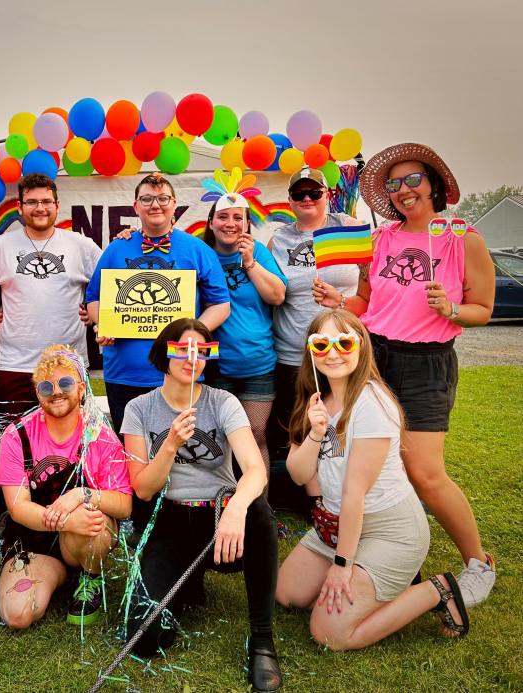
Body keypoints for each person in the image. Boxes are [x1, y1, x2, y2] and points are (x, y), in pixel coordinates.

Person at [312, 143, 496, 606]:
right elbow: (368, 303)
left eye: (413, 180)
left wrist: (451, 308)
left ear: (434, 184)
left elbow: (484, 310)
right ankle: (390, 553)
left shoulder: (462, 238)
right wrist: (341, 306)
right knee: (375, 463)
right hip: (374, 357)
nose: (404, 190)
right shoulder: (382, 240)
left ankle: (478, 562)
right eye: (393, 184)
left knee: (424, 470)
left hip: (426, 362)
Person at [276, 310, 470, 648]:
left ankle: (436, 590)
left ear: (362, 346)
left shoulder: (372, 403)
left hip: (390, 531)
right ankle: (364, 579)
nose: (332, 352)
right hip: (337, 525)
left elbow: (355, 495)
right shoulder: (316, 398)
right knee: (286, 594)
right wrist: (317, 433)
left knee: (329, 634)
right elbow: (298, 473)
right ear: (310, 351)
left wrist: (341, 566)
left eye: (344, 342)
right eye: (321, 344)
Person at [121, 318, 280, 693]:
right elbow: (143, 489)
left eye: (202, 351)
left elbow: (255, 470)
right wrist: (171, 445)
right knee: (144, 641)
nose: (192, 358)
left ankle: (262, 639)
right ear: (165, 352)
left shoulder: (222, 402)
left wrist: (236, 508)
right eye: (182, 349)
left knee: (258, 508)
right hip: (171, 523)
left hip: (221, 521)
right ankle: (186, 580)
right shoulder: (139, 409)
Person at [0, 345, 132, 629]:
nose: (56, 391)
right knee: (18, 615)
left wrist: (82, 495)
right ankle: (59, 575)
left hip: (85, 532)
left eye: (65, 383)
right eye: (46, 386)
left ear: (81, 389)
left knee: (96, 523)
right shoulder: (17, 435)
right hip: (35, 538)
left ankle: (89, 573)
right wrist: (67, 522)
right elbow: (18, 507)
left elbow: (124, 504)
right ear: (37, 393)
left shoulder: (101, 436)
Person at [85, 172, 230, 435]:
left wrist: (192, 334)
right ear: (135, 206)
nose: (155, 205)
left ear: (175, 204)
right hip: (124, 374)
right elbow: (94, 298)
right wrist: (103, 323)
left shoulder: (197, 249)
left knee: (184, 451)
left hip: (182, 369)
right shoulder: (117, 249)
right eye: (147, 199)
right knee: (132, 452)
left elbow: (221, 304)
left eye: (163, 198)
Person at [266, 167, 362, 512]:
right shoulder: (279, 239)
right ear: (290, 200)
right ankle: (314, 500)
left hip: (344, 350)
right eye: (299, 194)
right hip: (294, 351)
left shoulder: (348, 228)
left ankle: (342, 496)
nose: (307, 199)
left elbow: (374, 284)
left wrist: (342, 301)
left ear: (327, 195)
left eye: (314, 193)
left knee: (342, 425)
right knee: (301, 424)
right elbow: (268, 285)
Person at [0, 173, 102, 417]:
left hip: (68, 365)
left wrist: (94, 312)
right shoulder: (0, 246)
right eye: (32, 202)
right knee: (16, 444)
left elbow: (110, 283)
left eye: (46, 202)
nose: (40, 208)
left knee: (68, 446)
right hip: (15, 366)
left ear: (56, 206)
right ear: (20, 207)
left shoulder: (80, 245)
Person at [200, 177, 287, 479]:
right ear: (210, 222)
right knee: (219, 439)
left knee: (255, 435)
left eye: (238, 217)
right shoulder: (199, 253)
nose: (230, 223)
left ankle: (261, 509)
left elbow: (277, 295)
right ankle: (224, 503)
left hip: (257, 363)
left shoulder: (259, 253)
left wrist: (249, 262)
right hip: (214, 366)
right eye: (222, 216)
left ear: (247, 223)